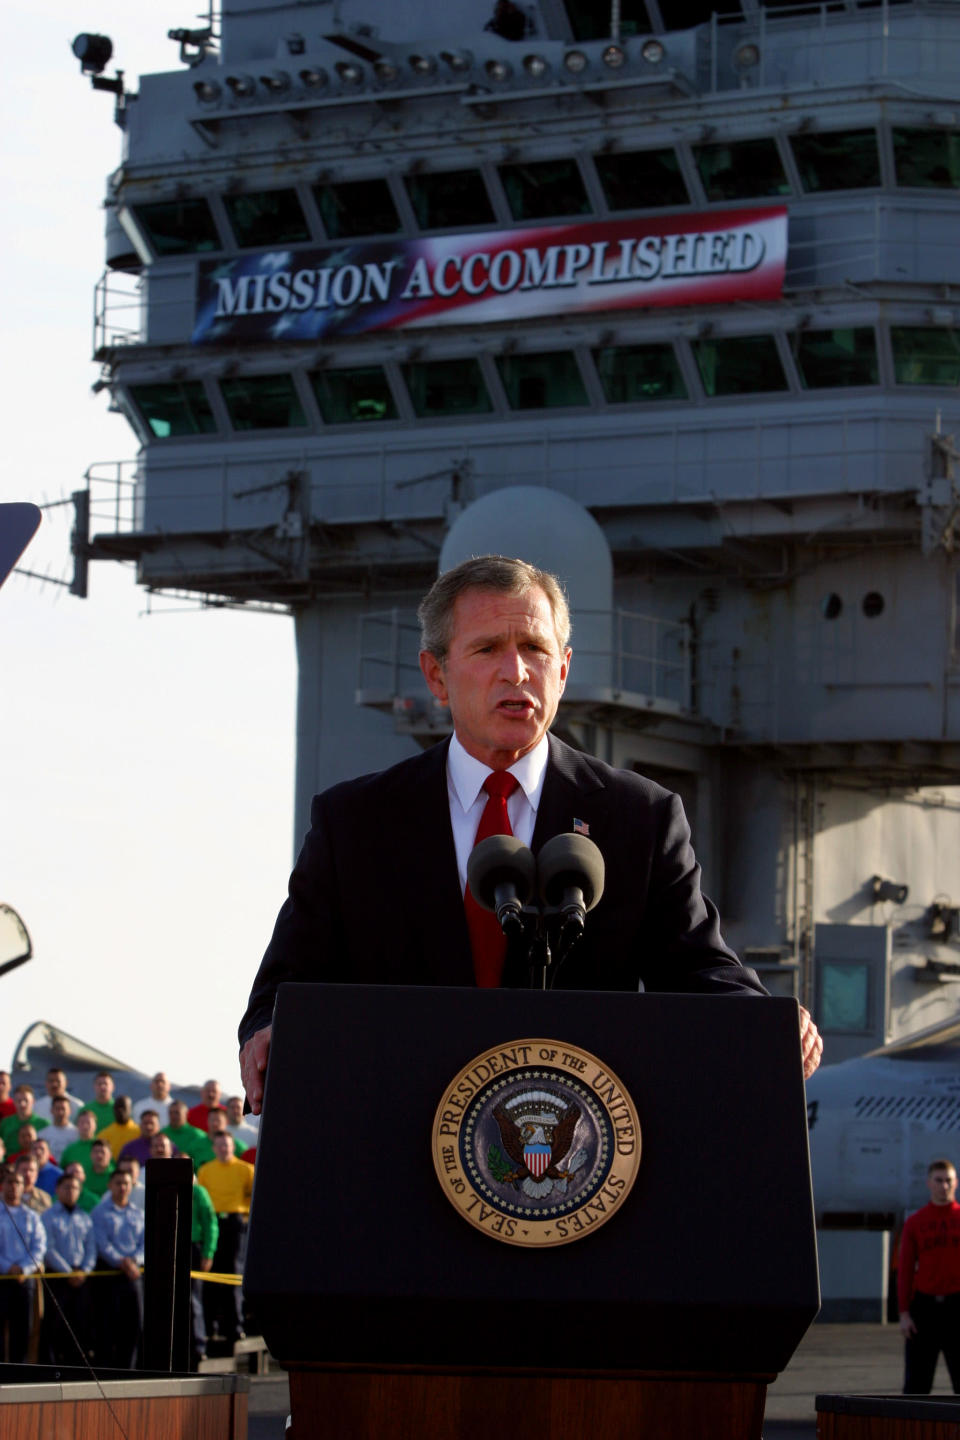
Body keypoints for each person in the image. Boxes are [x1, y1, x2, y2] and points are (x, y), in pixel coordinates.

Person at [239, 555, 822, 1108]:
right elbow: (286, 984)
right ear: (436, 675)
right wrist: (266, 1030)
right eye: (488, 648)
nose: (515, 670)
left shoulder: (638, 817)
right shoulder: (356, 823)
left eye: (534, 649)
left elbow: (699, 969)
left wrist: (765, 1022)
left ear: (563, 670)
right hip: (401, 1137)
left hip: (577, 1156)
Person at [899, 1158, 960, 1393]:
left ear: (956, 1183)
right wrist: (904, 1313)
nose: (944, 1186)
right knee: (916, 1384)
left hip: (957, 1306)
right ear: (929, 1183)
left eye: (948, 1181)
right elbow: (905, 1270)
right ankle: (910, 1430)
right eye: (939, 1180)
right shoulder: (915, 1223)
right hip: (925, 1309)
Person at [198, 1132, 253, 1351]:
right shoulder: (205, 1170)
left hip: (236, 1222)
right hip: (214, 1223)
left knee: (232, 1272)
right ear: (214, 1148)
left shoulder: (245, 1170)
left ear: (233, 1147)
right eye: (219, 1145)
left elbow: (253, 1195)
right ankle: (211, 1326)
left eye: (227, 1145)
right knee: (211, 1275)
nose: (223, 1149)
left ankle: (235, 1325)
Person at [41, 1171, 96, 1363]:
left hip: (81, 1278)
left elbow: (91, 1247)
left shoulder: (85, 1217)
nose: (70, 1191)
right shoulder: (48, 1216)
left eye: (75, 1188)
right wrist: (67, 1272)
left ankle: (77, 1365)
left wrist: (84, 1270)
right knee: (55, 1323)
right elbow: (48, 1249)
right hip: (58, 1277)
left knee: (80, 1322)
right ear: (57, 1190)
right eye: (66, 1187)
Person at [92, 1168, 144, 1369]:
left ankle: (129, 1369)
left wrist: (135, 1261)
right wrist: (122, 1262)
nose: (122, 1187)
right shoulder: (100, 1212)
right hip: (111, 1274)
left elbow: (144, 1244)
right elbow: (102, 1243)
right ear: (110, 1186)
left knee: (133, 1325)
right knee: (107, 1324)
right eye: (118, 1183)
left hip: (133, 1275)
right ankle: (106, 1369)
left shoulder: (138, 1213)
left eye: (126, 1183)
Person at [0, 1164, 46, 1363]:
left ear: (23, 1186)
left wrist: (24, 1268)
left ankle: (20, 1371)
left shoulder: (31, 1216)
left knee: (23, 1329)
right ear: (2, 1186)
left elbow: (40, 1247)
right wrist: (7, 1267)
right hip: (2, 1278)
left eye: (17, 1183)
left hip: (24, 1280)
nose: (13, 1187)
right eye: (9, 1182)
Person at [0, 1085, 48, 1151]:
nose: (22, 1104)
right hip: (10, 1160)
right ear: (14, 1102)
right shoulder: (5, 1123)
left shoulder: (44, 1124)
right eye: (19, 1101)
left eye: (26, 1100)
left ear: (33, 1101)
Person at [61, 1107, 100, 1174]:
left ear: (95, 1125)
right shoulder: (70, 1150)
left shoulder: (102, 1149)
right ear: (77, 1125)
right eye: (82, 1122)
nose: (85, 1126)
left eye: (88, 1123)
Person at [45, 1095, 79, 1162]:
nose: (60, 1112)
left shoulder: (77, 1134)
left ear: (70, 1111)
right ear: (51, 1110)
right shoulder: (42, 1135)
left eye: (63, 1109)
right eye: (57, 1108)